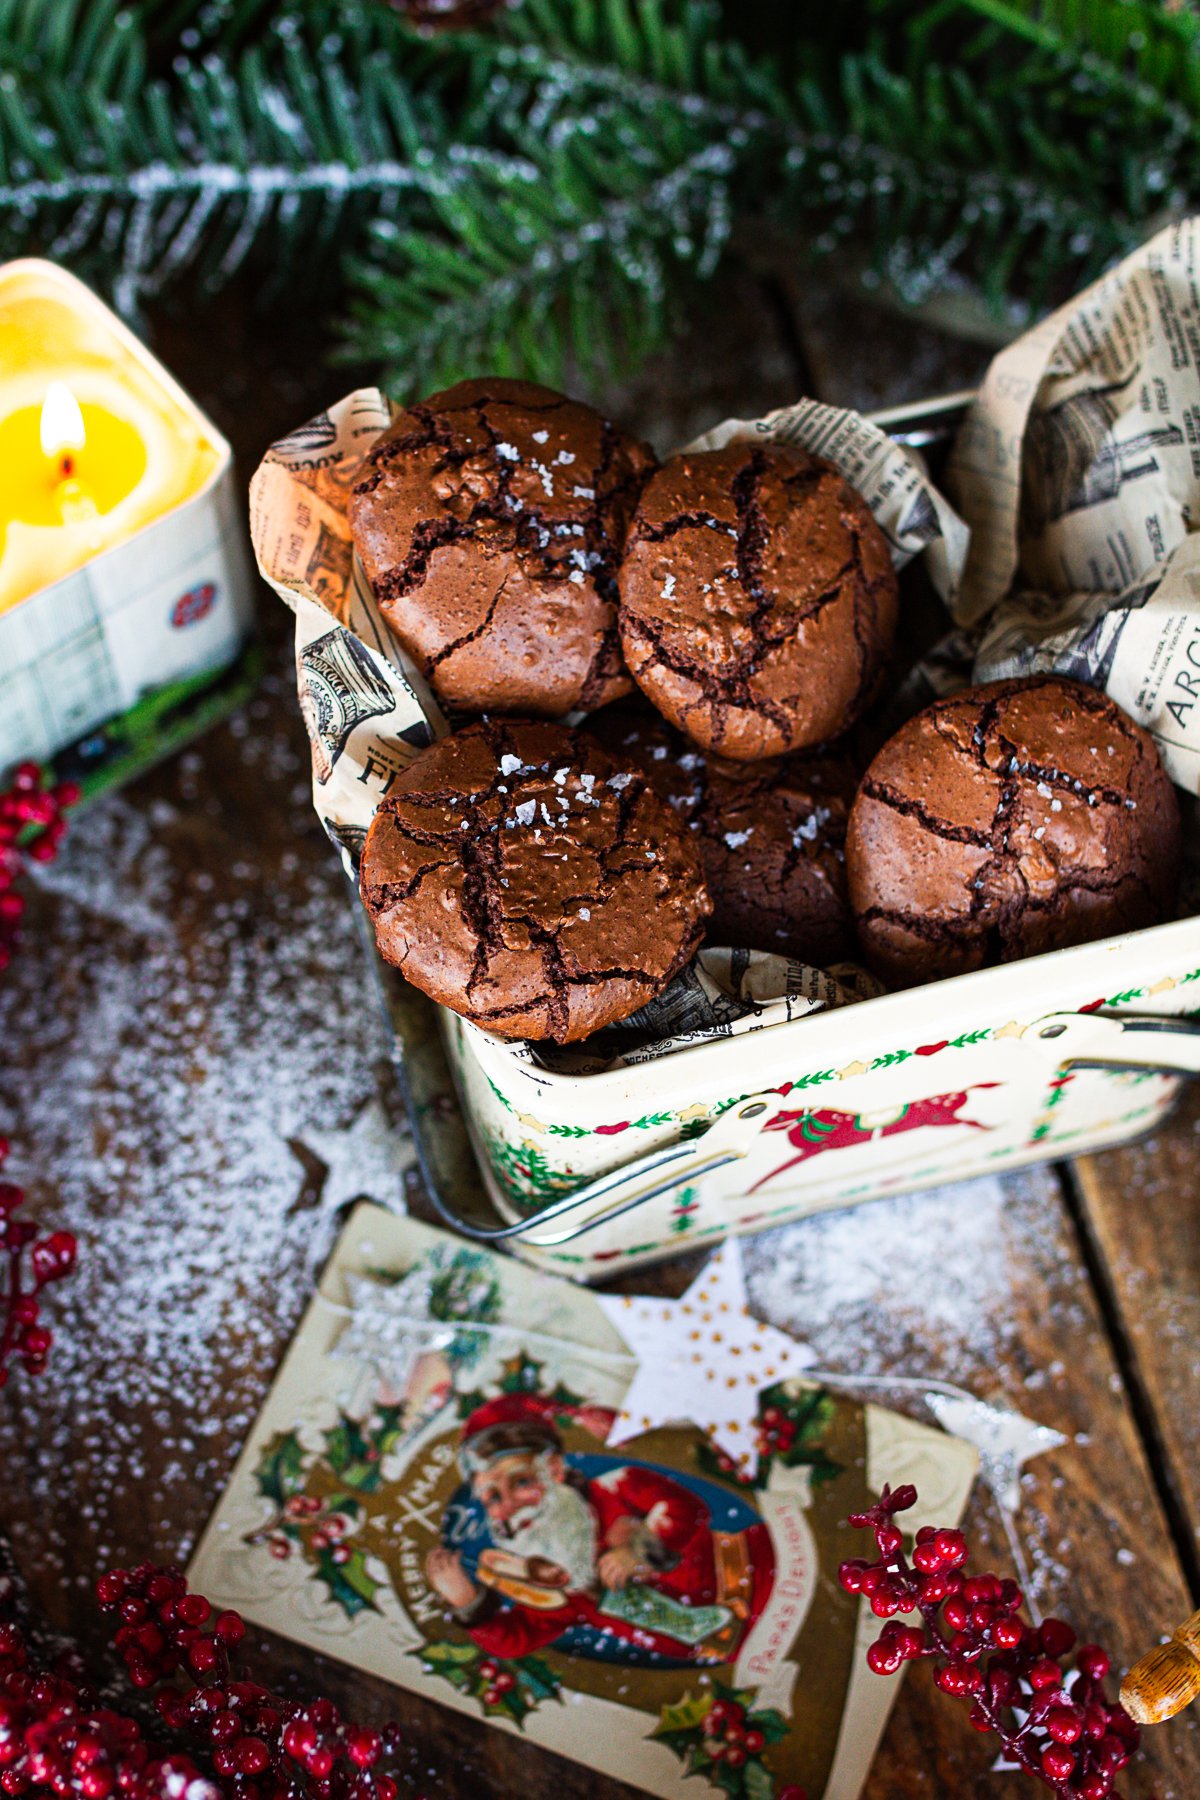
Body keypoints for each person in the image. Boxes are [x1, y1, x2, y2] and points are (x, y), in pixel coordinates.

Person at [424, 1393, 775, 1663]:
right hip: (741, 1652)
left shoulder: (616, 1488)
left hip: (764, 1576)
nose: (510, 1506)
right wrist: (467, 1602)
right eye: (492, 1498)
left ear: (555, 1469)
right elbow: (515, 1640)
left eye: (520, 1482)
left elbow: (686, 1508)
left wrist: (639, 1548)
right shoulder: (561, 1588)